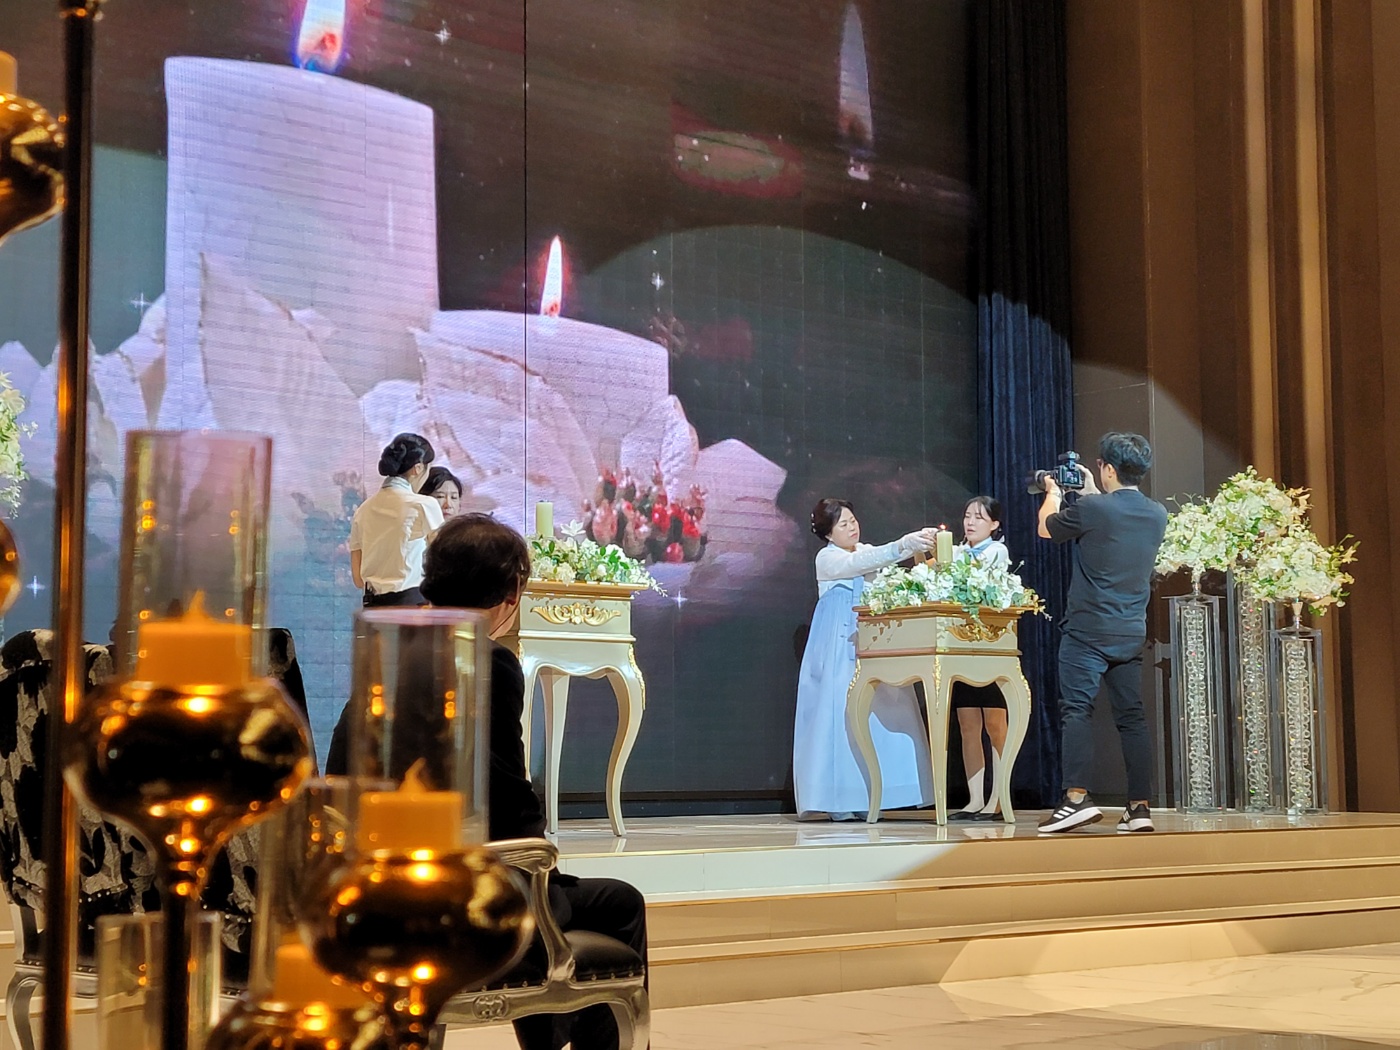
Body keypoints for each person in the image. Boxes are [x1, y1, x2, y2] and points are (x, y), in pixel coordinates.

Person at [327, 514, 647, 1050]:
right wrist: (541, 863)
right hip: (463, 888)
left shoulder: (391, 644)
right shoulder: (486, 658)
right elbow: (506, 796)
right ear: (512, 592)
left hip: (376, 879)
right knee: (618, 903)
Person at [1036, 432, 1168, 834]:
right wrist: (1093, 491)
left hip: (1087, 631)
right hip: (1130, 632)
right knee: (1132, 718)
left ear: (1106, 467)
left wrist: (1053, 492)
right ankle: (1139, 808)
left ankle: (1076, 798)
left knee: (1077, 711)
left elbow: (1047, 529)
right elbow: (1111, 520)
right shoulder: (1157, 513)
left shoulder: (1094, 509)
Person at [793, 498, 938, 820]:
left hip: (872, 640)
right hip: (838, 642)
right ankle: (839, 799)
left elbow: (880, 560)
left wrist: (918, 549)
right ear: (828, 533)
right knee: (839, 714)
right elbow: (866, 561)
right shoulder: (827, 558)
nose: (852, 527)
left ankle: (874, 795)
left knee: (882, 710)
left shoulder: (865, 550)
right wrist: (904, 543)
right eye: (843, 524)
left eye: (853, 520)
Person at [948, 496, 1012, 822]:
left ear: (994, 524)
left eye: (979, 517)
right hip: (961, 647)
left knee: (995, 725)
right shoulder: (956, 553)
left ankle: (999, 798)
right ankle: (975, 799)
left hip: (990, 645)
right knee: (968, 724)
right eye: (967, 516)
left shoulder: (996, 551)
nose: (970, 522)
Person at [349, 433, 444, 607]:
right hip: (412, 607)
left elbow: (358, 578)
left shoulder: (362, 510)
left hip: (372, 609)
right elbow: (445, 562)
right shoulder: (423, 505)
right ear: (418, 468)